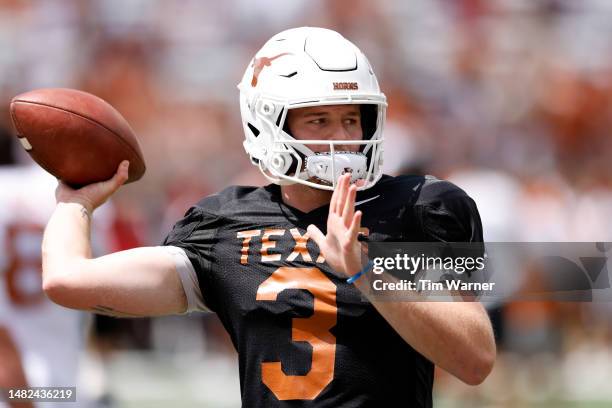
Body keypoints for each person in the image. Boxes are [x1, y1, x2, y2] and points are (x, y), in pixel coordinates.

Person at [42, 27, 495, 407]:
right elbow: (67, 280)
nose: (342, 138)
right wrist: (75, 203)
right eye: (319, 122)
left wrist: (364, 271)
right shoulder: (224, 227)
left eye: (352, 120)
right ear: (269, 125)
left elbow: (475, 359)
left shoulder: (421, 206)